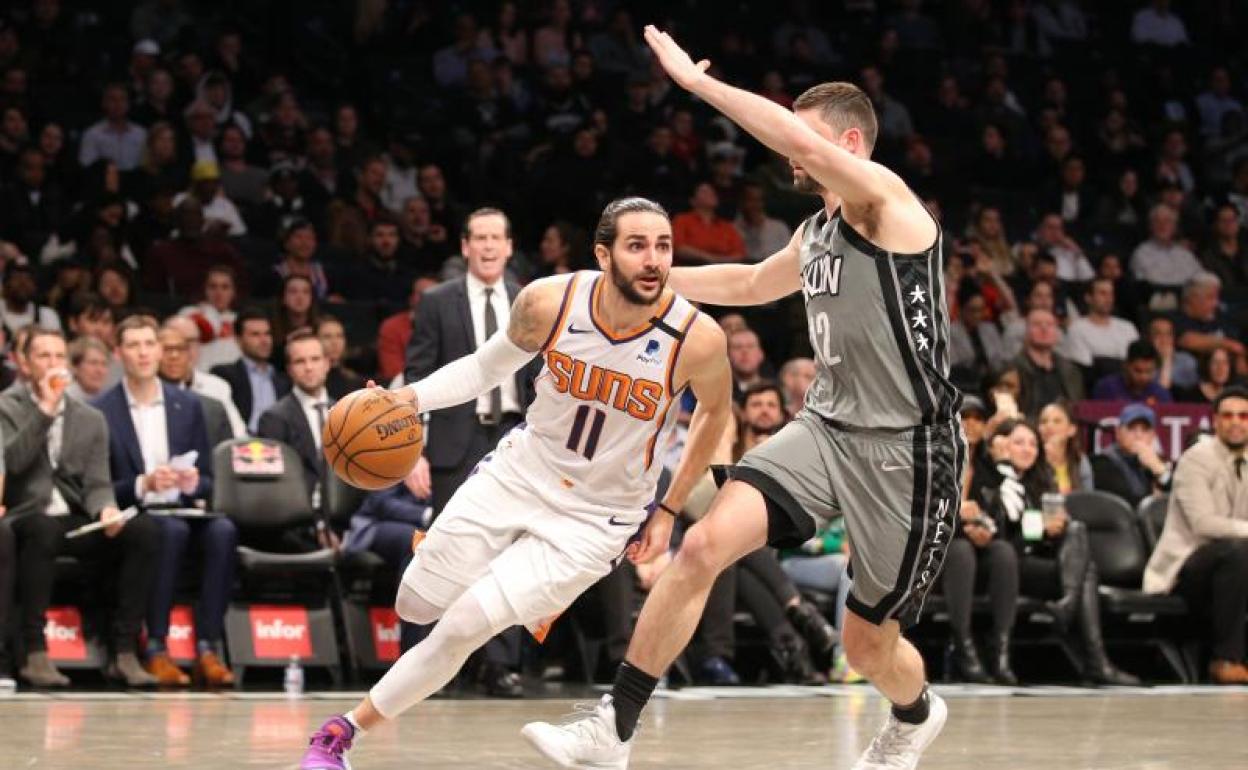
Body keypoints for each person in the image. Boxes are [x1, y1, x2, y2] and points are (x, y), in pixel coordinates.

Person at [524, 33, 961, 769]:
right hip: (826, 429)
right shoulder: (816, 231)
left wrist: (698, 87)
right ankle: (613, 728)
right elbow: (753, 282)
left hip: (909, 450)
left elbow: (797, 141)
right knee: (702, 547)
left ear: (850, 145)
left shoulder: (888, 204)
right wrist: (651, 283)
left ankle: (916, 715)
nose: (791, 152)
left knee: (867, 646)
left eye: (805, 137)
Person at [298, 197, 731, 769]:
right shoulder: (550, 302)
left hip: (597, 518)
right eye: (636, 246)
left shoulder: (697, 337)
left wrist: (670, 508)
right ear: (603, 255)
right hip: (521, 473)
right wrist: (408, 399)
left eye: (663, 246)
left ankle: (339, 735)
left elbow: (715, 413)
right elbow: (484, 368)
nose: (654, 259)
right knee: (415, 604)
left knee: (464, 626)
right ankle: (496, 573)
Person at [1, 327, 160, 687]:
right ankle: (33, 651)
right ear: (24, 363)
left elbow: (98, 483)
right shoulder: (6, 408)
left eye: (59, 356)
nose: (53, 363)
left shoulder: (90, 418)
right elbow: (12, 463)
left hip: (73, 520)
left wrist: (106, 510)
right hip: (24, 516)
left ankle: (124, 650)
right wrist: (44, 410)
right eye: (44, 356)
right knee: (41, 529)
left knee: (143, 531)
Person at [94, 315, 233, 687]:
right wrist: (144, 483)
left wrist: (193, 482)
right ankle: (156, 646)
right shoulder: (101, 410)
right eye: (134, 345)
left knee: (222, 531)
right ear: (118, 353)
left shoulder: (187, 405)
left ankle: (208, 647)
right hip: (135, 513)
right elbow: (99, 485)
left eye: (149, 344)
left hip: (182, 506)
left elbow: (208, 479)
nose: (143, 353)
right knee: (169, 532)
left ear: (159, 350)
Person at [970, 419, 1138, 686]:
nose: (1027, 449)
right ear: (1000, 445)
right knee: (1086, 572)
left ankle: (1071, 612)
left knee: (1077, 535)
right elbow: (998, 536)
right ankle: (1095, 659)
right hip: (1004, 565)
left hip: (1036, 562)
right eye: (1019, 442)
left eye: (1033, 444)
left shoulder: (1040, 482)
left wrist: (1056, 529)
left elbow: (1045, 538)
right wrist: (1037, 527)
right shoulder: (988, 478)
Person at [1144, 385, 1248, 684]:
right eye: (1228, 415)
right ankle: (1225, 659)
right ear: (1215, 421)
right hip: (1188, 568)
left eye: (1243, 416)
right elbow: (1203, 524)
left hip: (1235, 563)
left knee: (1240, 553)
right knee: (1237, 552)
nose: (1236, 422)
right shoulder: (1196, 459)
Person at [257, 330, 333, 507]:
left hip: (345, 515)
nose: (309, 367)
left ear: (327, 363)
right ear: (289, 369)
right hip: (296, 514)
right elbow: (274, 483)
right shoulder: (273, 418)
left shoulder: (345, 413)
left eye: (315, 359)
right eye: (300, 361)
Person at [159, 315, 246, 439]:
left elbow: (238, 436)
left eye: (190, 342)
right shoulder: (149, 390)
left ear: (199, 345)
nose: (177, 354)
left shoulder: (217, 387)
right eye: (171, 347)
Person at [210, 308, 291, 433]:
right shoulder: (225, 376)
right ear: (238, 340)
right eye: (255, 334)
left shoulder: (284, 379)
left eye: (267, 334)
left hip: (279, 441)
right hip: (243, 440)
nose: (264, 340)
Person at [1091, 403, 1173, 508]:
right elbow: (1122, 502)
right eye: (1131, 428)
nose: (1138, 435)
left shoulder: (1155, 462)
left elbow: (1178, 498)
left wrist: (1161, 472)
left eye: (1145, 430)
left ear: (1153, 435)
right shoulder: (1102, 461)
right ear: (1118, 432)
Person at [1091, 341, 1173, 404]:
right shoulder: (1106, 388)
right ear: (1126, 365)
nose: (1143, 377)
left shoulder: (1161, 394)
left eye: (1149, 371)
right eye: (1138, 371)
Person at [1038, 401, 1094, 493]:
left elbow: (1088, 498)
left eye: (1057, 421)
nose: (1049, 426)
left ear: (1071, 430)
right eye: (1043, 422)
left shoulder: (1080, 460)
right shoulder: (1032, 459)